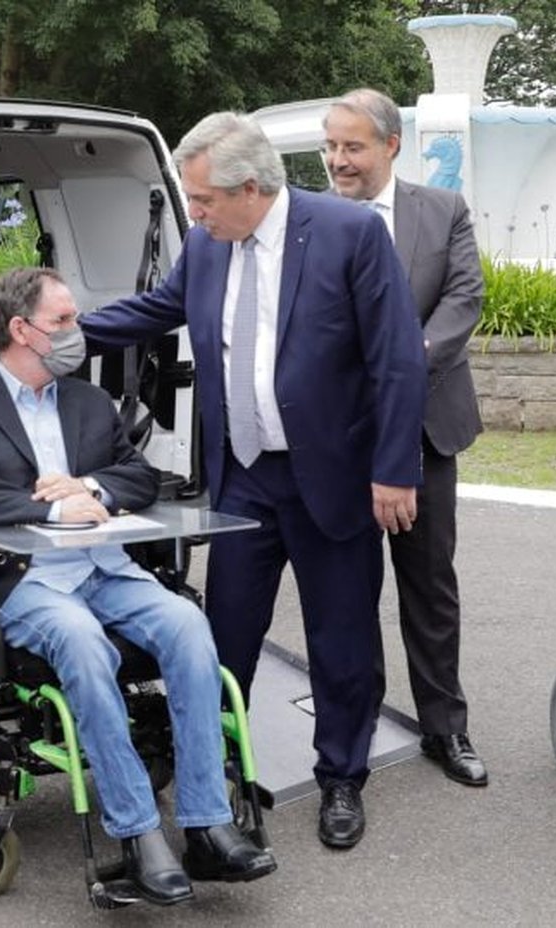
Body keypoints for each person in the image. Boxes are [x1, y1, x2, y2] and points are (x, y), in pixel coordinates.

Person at [79, 112, 427, 850]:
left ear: (248, 188)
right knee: (225, 629)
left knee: (342, 637)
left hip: (333, 475)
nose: (193, 215)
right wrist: (61, 335)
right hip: (243, 475)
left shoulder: (347, 234)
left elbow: (397, 360)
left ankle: (341, 777)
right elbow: (157, 309)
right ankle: (216, 764)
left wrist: (394, 470)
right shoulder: (208, 246)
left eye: (202, 200)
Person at [0, 266, 277, 904]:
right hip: (28, 582)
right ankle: (138, 835)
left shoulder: (87, 400)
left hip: (105, 569)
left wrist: (92, 488)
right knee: (85, 645)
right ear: (20, 331)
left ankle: (206, 824)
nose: (76, 333)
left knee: (189, 627)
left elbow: (140, 477)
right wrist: (49, 507)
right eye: (63, 322)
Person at [324, 88, 488, 787]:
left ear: (391, 145)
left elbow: (465, 297)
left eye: (353, 147)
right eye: (331, 147)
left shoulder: (441, 210)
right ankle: (356, 732)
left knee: (429, 587)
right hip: (342, 437)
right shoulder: (309, 217)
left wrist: (405, 359)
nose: (338, 161)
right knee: (348, 595)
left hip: (425, 429)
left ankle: (445, 730)